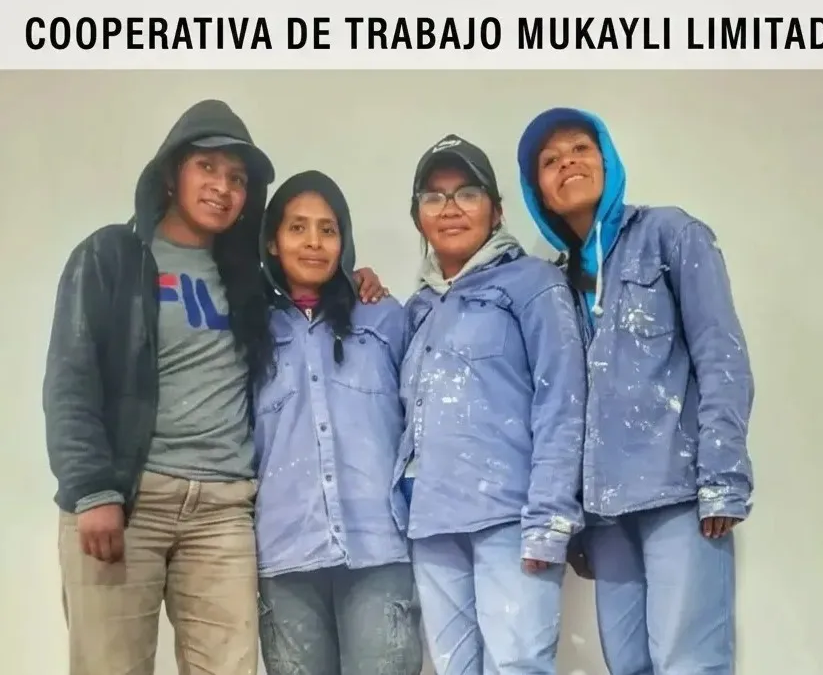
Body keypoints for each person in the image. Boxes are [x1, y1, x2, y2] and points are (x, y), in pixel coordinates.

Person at [43, 99, 388, 675]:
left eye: (237, 178)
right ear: (172, 173)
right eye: (207, 168)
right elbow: (70, 377)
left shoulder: (248, 280)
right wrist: (92, 491)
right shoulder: (112, 256)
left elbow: (307, 297)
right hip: (129, 500)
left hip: (224, 513)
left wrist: (353, 280)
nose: (223, 188)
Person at [517, 107, 755, 675]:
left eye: (581, 148)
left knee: (688, 662)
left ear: (607, 160)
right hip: (605, 515)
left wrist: (722, 479)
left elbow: (721, 355)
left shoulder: (670, 234)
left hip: (678, 493)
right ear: (538, 192)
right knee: (627, 665)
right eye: (550, 161)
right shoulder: (553, 284)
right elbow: (561, 406)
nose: (567, 163)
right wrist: (572, 514)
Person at [399, 134, 587, 675]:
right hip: (432, 522)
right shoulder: (418, 307)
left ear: (496, 210)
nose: (450, 208)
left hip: (510, 516)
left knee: (517, 665)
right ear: (418, 217)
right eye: (434, 196)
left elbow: (562, 402)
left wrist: (550, 518)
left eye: (467, 193)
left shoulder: (534, 284)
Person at [253, 170, 422, 675]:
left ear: (343, 242)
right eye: (297, 228)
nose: (313, 242)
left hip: (378, 550)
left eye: (327, 230)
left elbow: (420, 421)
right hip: (285, 555)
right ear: (272, 242)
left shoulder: (384, 318)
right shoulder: (248, 328)